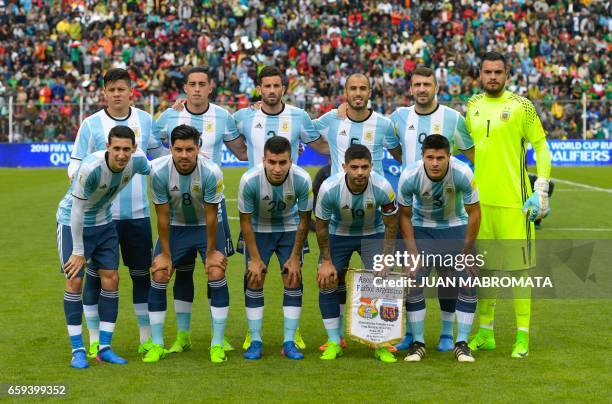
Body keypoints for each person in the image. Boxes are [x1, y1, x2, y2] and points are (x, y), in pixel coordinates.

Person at [68, 68, 163, 358]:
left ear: (130, 91)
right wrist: (79, 179)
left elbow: (156, 161)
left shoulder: (145, 121)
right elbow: (75, 163)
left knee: (140, 276)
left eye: (122, 89)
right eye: (112, 90)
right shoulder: (91, 124)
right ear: (105, 93)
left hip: (137, 214)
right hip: (101, 217)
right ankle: (96, 339)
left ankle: (145, 338)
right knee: (96, 278)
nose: (117, 94)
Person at [465, 52, 552, 358]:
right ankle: (485, 333)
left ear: (507, 74)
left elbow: (541, 146)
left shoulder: (522, 107)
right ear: (480, 74)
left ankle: (522, 337)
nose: (492, 76)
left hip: (516, 204)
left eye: (498, 72)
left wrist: (541, 187)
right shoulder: (472, 105)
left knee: (519, 273)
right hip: (481, 205)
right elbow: (465, 146)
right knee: (486, 271)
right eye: (487, 71)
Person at [155, 66, 246, 352]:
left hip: (210, 204)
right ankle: (182, 337)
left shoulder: (223, 116)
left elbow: (244, 151)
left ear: (210, 87)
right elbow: (148, 144)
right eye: (191, 84)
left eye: (201, 84)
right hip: (178, 208)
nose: (196, 89)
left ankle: (218, 339)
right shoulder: (169, 117)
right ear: (184, 88)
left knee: (215, 268)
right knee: (177, 272)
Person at [390, 66, 475, 351]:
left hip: (449, 215)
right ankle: (411, 335)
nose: (422, 89)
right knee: (411, 275)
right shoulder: (399, 117)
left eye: (427, 84)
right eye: (417, 84)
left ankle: (447, 334)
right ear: (411, 88)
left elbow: (470, 153)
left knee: (449, 280)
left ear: (436, 86)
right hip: (414, 213)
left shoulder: (453, 118)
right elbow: (390, 145)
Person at [57, 126, 150, 368]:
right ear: (107, 146)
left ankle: (104, 347)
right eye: (116, 148)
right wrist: (78, 251)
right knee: (74, 281)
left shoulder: (136, 162)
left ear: (134, 149)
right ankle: (77, 349)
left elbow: (154, 168)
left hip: (104, 223)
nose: (121, 154)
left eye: (126, 149)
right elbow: (77, 210)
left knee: (111, 278)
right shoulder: (90, 168)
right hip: (72, 224)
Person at [146, 124, 229, 363]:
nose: (184, 155)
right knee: (160, 273)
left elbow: (212, 214)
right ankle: (161, 342)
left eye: (189, 149)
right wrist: (164, 253)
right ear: (170, 148)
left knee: (215, 271)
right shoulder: (158, 171)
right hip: (175, 226)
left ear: (198, 148)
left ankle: (217, 343)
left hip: (206, 226)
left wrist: (212, 251)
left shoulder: (212, 172)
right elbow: (161, 215)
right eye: (179, 149)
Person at [397, 135, 481, 363]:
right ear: (423, 156)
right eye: (430, 157)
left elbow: (475, 213)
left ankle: (461, 344)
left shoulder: (463, 173)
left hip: (455, 227)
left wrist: (467, 251)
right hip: (422, 228)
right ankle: (418, 343)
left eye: (440, 158)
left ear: (449, 157)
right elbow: (403, 216)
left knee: (467, 281)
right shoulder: (409, 176)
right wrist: (412, 253)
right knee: (413, 281)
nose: (435, 163)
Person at [315, 144, 398, 362]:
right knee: (327, 280)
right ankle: (334, 340)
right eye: (354, 167)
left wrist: (386, 260)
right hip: (338, 233)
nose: (359, 172)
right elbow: (321, 226)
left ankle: (380, 342)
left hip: (373, 233)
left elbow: (391, 225)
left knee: (382, 281)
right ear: (344, 167)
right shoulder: (329, 188)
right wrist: (326, 261)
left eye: (364, 167)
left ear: (371, 167)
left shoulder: (383, 187)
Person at [237, 136, 313, 360]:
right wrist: (254, 258)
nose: (277, 168)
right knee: (254, 278)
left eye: (283, 162)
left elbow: (304, 220)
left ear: (291, 161)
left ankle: (289, 341)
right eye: (272, 162)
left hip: (290, 229)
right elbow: (245, 222)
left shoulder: (302, 179)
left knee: (293, 277)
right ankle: (255, 340)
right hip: (258, 230)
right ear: (263, 160)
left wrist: (294, 256)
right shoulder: (249, 180)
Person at [233, 65, 329, 166]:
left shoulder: (300, 116)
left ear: (283, 89)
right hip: (256, 182)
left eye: (276, 86)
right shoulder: (243, 117)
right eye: (267, 86)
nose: (272, 90)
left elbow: (322, 147)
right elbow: (223, 131)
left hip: (291, 182)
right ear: (259, 89)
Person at [315, 73, 402, 177]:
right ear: (346, 92)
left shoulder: (384, 124)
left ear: (369, 93)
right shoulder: (332, 118)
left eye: (362, 88)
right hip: (340, 192)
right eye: (353, 88)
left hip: (374, 192)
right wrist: (298, 146)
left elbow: (401, 157)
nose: (358, 93)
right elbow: (304, 130)